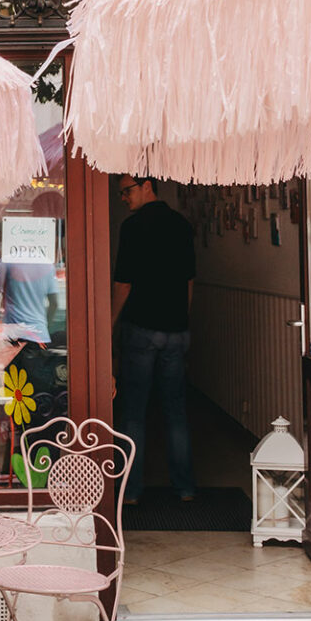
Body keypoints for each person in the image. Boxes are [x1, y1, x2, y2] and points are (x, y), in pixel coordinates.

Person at [112, 175, 196, 504]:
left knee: (134, 410)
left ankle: (130, 492)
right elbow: (189, 281)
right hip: (176, 330)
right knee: (176, 409)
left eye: (126, 191)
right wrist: (182, 318)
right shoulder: (182, 225)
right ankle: (185, 487)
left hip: (141, 328)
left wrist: (109, 323)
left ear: (147, 185)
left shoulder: (132, 228)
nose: (123, 198)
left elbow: (123, 284)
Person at [0, 260, 59, 399]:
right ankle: (37, 420)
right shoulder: (47, 265)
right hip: (38, 335)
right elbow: (54, 303)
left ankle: (18, 421)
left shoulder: (8, 262)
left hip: (13, 337)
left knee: (14, 393)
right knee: (38, 391)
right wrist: (45, 326)